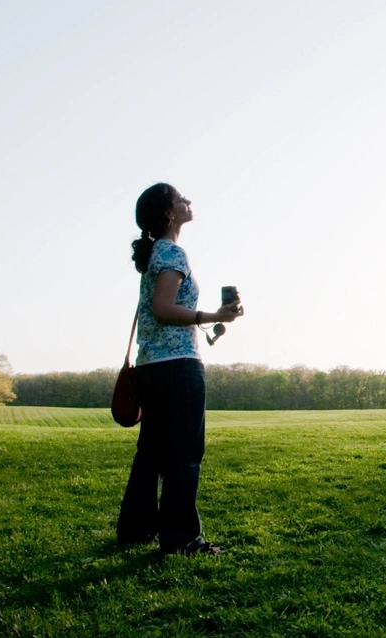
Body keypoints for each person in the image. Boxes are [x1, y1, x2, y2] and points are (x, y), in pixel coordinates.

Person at [116, 182, 243, 555]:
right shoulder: (173, 251)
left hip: (151, 367)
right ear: (170, 213)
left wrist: (210, 321)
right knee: (185, 454)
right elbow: (163, 308)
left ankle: (136, 530)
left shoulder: (156, 252)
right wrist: (213, 315)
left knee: (151, 452)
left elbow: (158, 311)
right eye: (181, 198)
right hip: (179, 369)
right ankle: (182, 539)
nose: (189, 201)